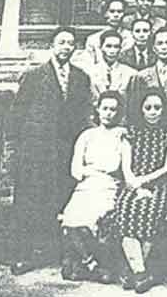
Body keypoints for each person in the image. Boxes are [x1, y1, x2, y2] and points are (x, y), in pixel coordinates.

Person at [7, 27, 92, 276]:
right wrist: (16, 150)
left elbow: (83, 114)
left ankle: (62, 255)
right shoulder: (34, 76)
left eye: (70, 43)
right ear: (52, 46)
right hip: (36, 151)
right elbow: (17, 114)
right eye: (61, 42)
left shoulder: (81, 78)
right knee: (29, 201)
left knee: (62, 199)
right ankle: (23, 255)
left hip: (66, 151)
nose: (66, 47)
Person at [115, 89, 167, 293]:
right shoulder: (131, 132)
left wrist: (144, 182)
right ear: (141, 109)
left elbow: (166, 167)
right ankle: (141, 273)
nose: (152, 112)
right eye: (148, 107)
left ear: (163, 109)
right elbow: (126, 165)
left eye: (157, 107)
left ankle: (133, 272)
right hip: (132, 183)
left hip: (158, 183)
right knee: (126, 207)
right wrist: (135, 184)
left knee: (150, 210)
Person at [60, 91, 125, 283]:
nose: (108, 113)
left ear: (119, 112)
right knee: (71, 220)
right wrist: (94, 171)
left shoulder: (122, 135)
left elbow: (116, 167)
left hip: (109, 186)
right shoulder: (87, 136)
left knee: (96, 219)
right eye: (105, 108)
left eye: (113, 109)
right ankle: (91, 264)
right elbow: (76, 170)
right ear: (98, 109)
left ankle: (92, 264)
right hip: (86, 186)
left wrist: (95, 170)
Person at [79, 0, 133, 68]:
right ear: (105, 14)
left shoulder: (131, 38)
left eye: (119, 11)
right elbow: (88, 64)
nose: (116, 15)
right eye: (112, 11)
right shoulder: (93, 39)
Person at [88, 30, 136, 104]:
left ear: (120, 49)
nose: (112, 51)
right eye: (108, 46)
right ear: (101, 47)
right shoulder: (89, 72)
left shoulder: (130, 73)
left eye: (116, 47)